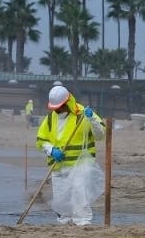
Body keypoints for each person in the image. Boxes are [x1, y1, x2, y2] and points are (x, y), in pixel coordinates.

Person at [37, 84, 106, 225]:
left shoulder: (83, 114)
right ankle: (65, 221)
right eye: (54, 108)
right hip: (58, 165)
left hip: (80, 163)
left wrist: (92, 118)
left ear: (67, 101)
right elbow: (41, 140)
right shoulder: (50, 118)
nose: (57, 110)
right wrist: (51, 150)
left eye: (60, 107)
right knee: (61, 197)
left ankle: (82, 222)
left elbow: (100, 135)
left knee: (79, 193)